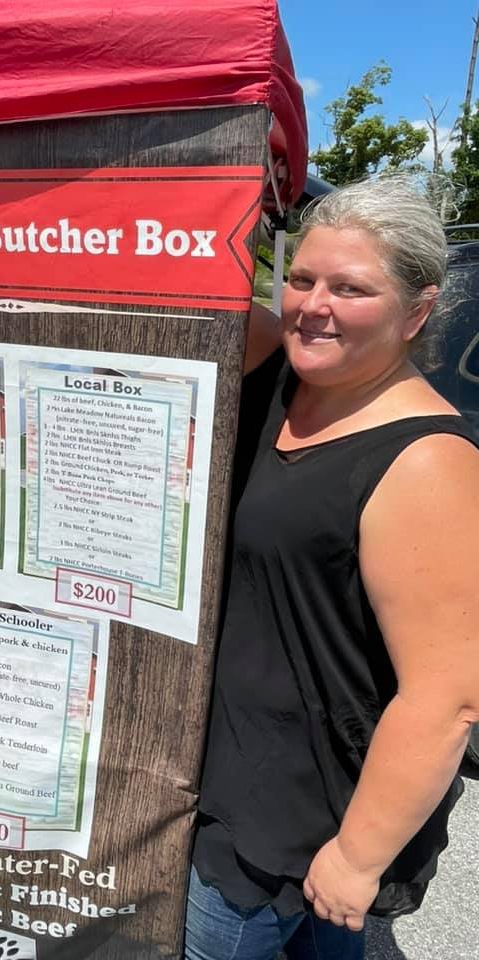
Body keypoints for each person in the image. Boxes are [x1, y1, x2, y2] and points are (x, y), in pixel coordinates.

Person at [185, 176, 479, 960]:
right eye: (303, 278)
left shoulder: (426, 463)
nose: (314, 304)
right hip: (241, 768)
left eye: (350, 288)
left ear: (416, 311)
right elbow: (168, 314)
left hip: (303, 810)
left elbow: (446, 699)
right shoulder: (288, 371)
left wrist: (356, 859)